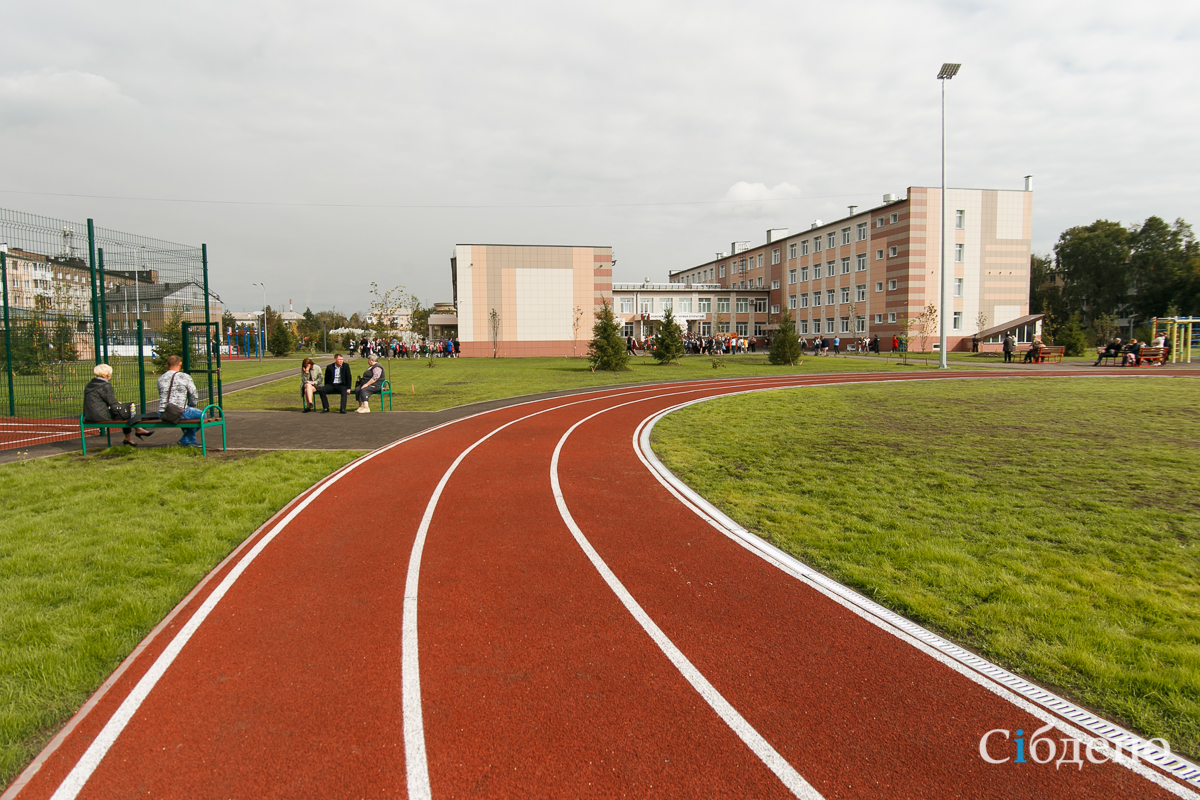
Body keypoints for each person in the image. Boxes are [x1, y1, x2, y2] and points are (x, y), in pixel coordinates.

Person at [83, 364, 150, 446]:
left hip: (89, 415)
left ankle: (131, 436)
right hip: (101, 415)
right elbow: (112, 402)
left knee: (122, 411)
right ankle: (135, 432)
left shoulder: (90, 384)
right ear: (108, 374)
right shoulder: (105, 385)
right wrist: (118, 404)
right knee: (126, 411)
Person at [157, 355, 204, 447]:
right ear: (180, 363)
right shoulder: (184, 376)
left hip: (162, 412)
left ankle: (190, 441)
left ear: (167, 364)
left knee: (186, 416)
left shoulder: (160, 378)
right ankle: (186, 439)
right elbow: (194, 394)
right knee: (202, 415)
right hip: (178, 411)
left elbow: (162, 394)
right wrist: (191, 405)